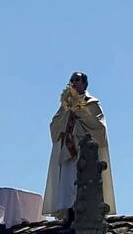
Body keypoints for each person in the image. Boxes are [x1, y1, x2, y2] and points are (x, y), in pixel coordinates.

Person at [42, 72, 116, 222]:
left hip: (84, 151)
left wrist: (79, 110)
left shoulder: (92, 103)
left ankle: (83, 215)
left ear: (84, 83)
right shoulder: (65, 105)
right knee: (67, 184)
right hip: (68, 151)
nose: (74, 83)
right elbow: (55, 125)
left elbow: (99, 128)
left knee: (82, 181)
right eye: (71, 80)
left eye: (77, 80)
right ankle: (69, 215)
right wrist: (67, 111)